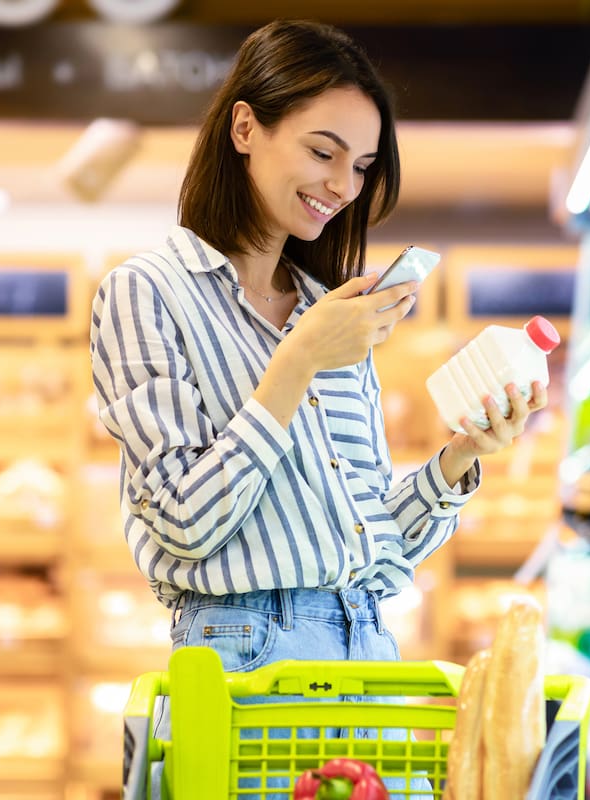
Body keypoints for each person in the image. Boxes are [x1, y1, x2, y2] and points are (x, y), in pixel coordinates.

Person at [90, 18, 547, 797]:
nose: (343, 186)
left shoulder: (328, 309)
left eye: (362, 165)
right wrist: (297, 360)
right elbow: (182, 520)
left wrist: (462, 455)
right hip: (243, 657)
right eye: (322, 150)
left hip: (367, 649)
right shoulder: (147, 292)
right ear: (246, 126)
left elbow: (377, 554)